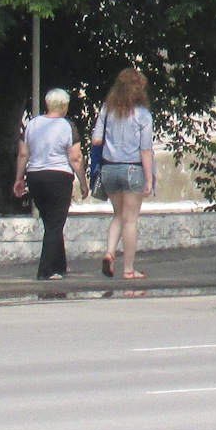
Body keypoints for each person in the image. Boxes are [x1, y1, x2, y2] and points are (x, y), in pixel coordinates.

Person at [13, 88, 88, 280]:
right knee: (55, 223)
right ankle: (45, 271)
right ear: (64, 106)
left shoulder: (31, 124)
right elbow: (75, 158)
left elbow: (23, 154)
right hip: (59, 177)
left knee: (51, 222)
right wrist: (83, 182)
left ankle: (60, 265)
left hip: (35, 177)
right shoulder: (67, 126)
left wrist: (19, 178)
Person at [92, 67, 155, 279]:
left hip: (109, 169)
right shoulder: (143, 116)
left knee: (118, 215)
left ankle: (110, 253)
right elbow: (145, 150)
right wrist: (149, 178)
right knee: (130, 220)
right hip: (132, 169)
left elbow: (96, 140)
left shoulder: (106, 111)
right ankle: (128, 269)